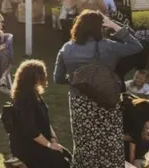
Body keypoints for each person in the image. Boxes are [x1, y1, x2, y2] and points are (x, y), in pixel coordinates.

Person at [54, 10, 143, 167]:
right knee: (110, 145)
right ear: (99, 27)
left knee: (84, 146)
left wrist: (78, 80)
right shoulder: (108, 46)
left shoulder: (66, 48)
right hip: (107, 102)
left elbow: (58, 78)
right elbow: (136, 46)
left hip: (80, 104)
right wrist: (113, 24)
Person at [9, 60, 71, 168]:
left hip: (42, 140)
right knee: (61, 163)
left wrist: (53, 139)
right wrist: (49, 145)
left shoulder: (35, 93)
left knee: (68, 156)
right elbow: (32, 131)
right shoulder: (24, 100)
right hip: (28, 146)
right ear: (36, 78)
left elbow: (45, 120)